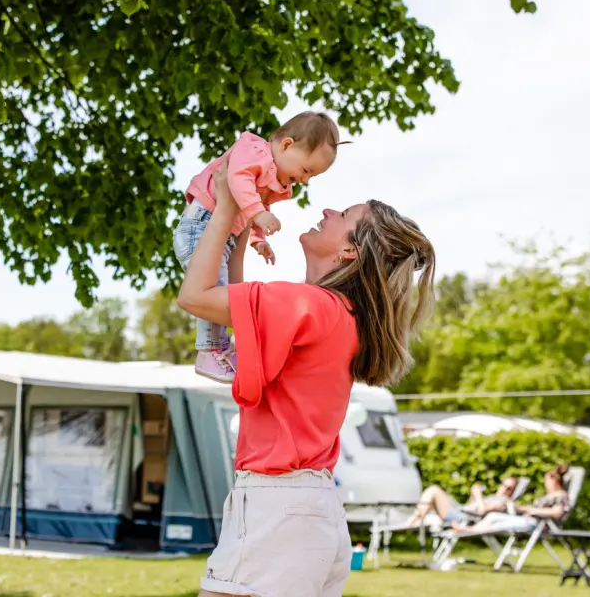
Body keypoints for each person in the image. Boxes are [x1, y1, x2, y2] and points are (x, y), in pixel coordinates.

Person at [177, 160, 435, 597]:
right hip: (310, 511)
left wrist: (224, 207)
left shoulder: (305, 304)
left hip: (278, 509)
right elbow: (237, 307)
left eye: (345, 215)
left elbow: (196, 296)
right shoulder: (337, 314)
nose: (329, 211)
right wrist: (242, 225)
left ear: (350, 251)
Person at [174, 111, 349, 383]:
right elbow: (238, 180)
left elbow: (253, 206)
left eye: (311, 176)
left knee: (226, 292)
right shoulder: (255, 151)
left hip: (221, 230)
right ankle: (209, 351)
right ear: (286, 145)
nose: (304, 181)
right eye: (306, 170)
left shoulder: (270, 174)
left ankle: (219, 346)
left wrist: (257, 238)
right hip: (200, 225)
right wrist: (258, 214)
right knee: (214, 291)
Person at [458, 464, 571, 534]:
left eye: (547, 480)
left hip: (538, 524)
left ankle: (470, 531)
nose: (545, 483)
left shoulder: (560, 496)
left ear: (555, 481)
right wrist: (519, 508)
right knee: (493, 518)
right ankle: (470, 530)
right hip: (530, 520)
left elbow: (557, 512)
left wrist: (532, 511)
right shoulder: (549, 496)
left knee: (494, 519)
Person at [404, 477, 520, 530]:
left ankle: (414, 520)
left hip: (463, 519)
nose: (505, 489)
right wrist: (473, 495)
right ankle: (416, 519)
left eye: (509, 488)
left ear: (512, 491)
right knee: (434, 493)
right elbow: (471, 506)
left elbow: (481, 511)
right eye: (504, 485)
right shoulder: (492, 497)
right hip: (462, 511)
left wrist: (478, 495)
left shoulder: (504, 502)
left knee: (434, 490)